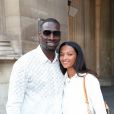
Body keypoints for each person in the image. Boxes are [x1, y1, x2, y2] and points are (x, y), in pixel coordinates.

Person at [6, 18, 65, 114]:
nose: (52, 37)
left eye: (56, 33)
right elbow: (14, 104)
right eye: (47, 33)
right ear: (39, 35)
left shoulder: (62, 62)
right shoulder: (23, 63)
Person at [58, 41, 107, 114]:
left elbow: (100, 109)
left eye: (69, 54)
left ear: (78, 56)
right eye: (62, 54)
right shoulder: (62, 79)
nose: (64, 58)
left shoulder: (89, 79)